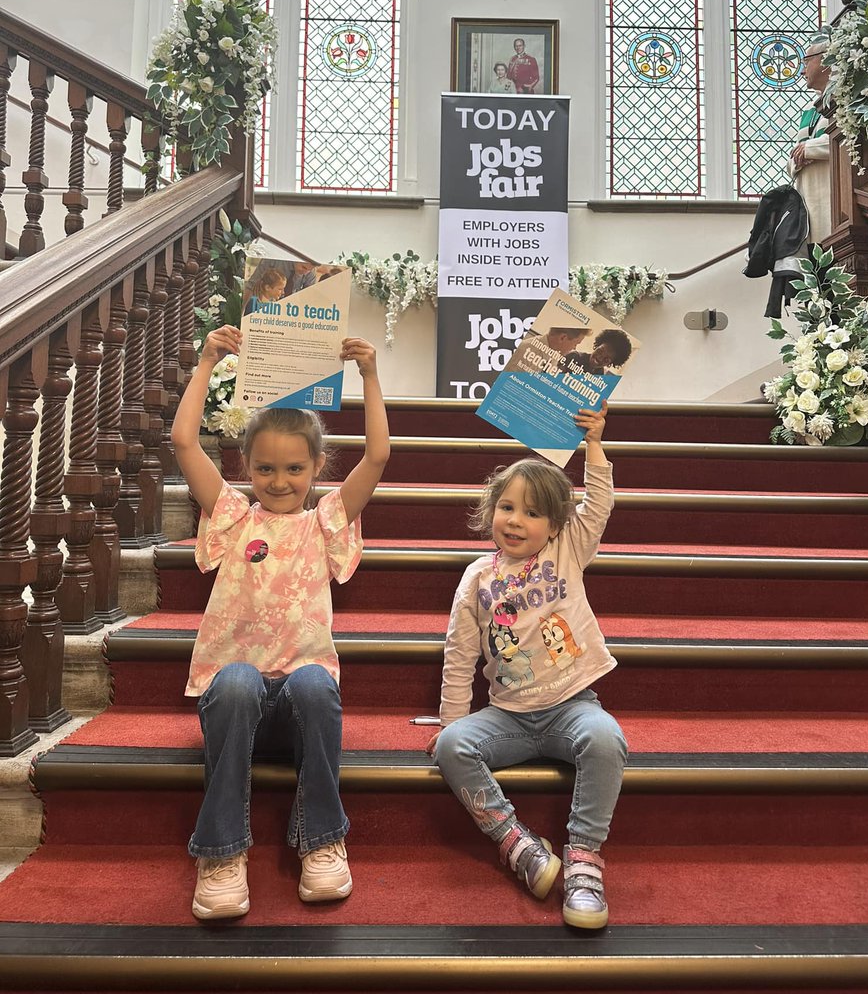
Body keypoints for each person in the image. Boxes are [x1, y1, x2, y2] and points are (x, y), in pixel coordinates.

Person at [171, 324, 390, 921]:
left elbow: (377, 456)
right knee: (238, 680)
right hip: (234, 699)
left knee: (317, 682)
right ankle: (220, 853)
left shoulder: (326, 522)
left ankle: (322, 840)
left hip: (300, 702)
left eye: (294, 469)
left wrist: (369, 376)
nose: (279, 481)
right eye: (265, 468)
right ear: (247, 465)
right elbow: (185, 444)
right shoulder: (233, 514)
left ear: (316, 467)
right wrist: (206, 363)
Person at [427, 404, 627, 930]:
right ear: (491, 509)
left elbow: (600, 504)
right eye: (508, 507)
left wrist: (595, 446)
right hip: (509, 716)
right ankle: (516, 843)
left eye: (533, 512)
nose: (516, 520)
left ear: (556, 524)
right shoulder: (476, 577)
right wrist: (451, 719)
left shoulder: (567, 551)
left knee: (607, 739)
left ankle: (583, 860)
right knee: (452, 747)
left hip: (572, 707)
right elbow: (460, 651)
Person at [788, 39, 831, 244]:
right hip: (807, 198)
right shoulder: (810, 109)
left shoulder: (848, 97)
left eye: (806, 63)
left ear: (825, 62)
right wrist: (796, 159)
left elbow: (850, 141)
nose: (802, 71)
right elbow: (795, 153)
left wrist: (809, 149)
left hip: (832, 199)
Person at [562, 329, 633, 377]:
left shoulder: (601, 375)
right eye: (600, 351)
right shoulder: (573, 357)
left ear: (610, 364)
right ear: (597, 346)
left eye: (606, 359)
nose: (599, 358)